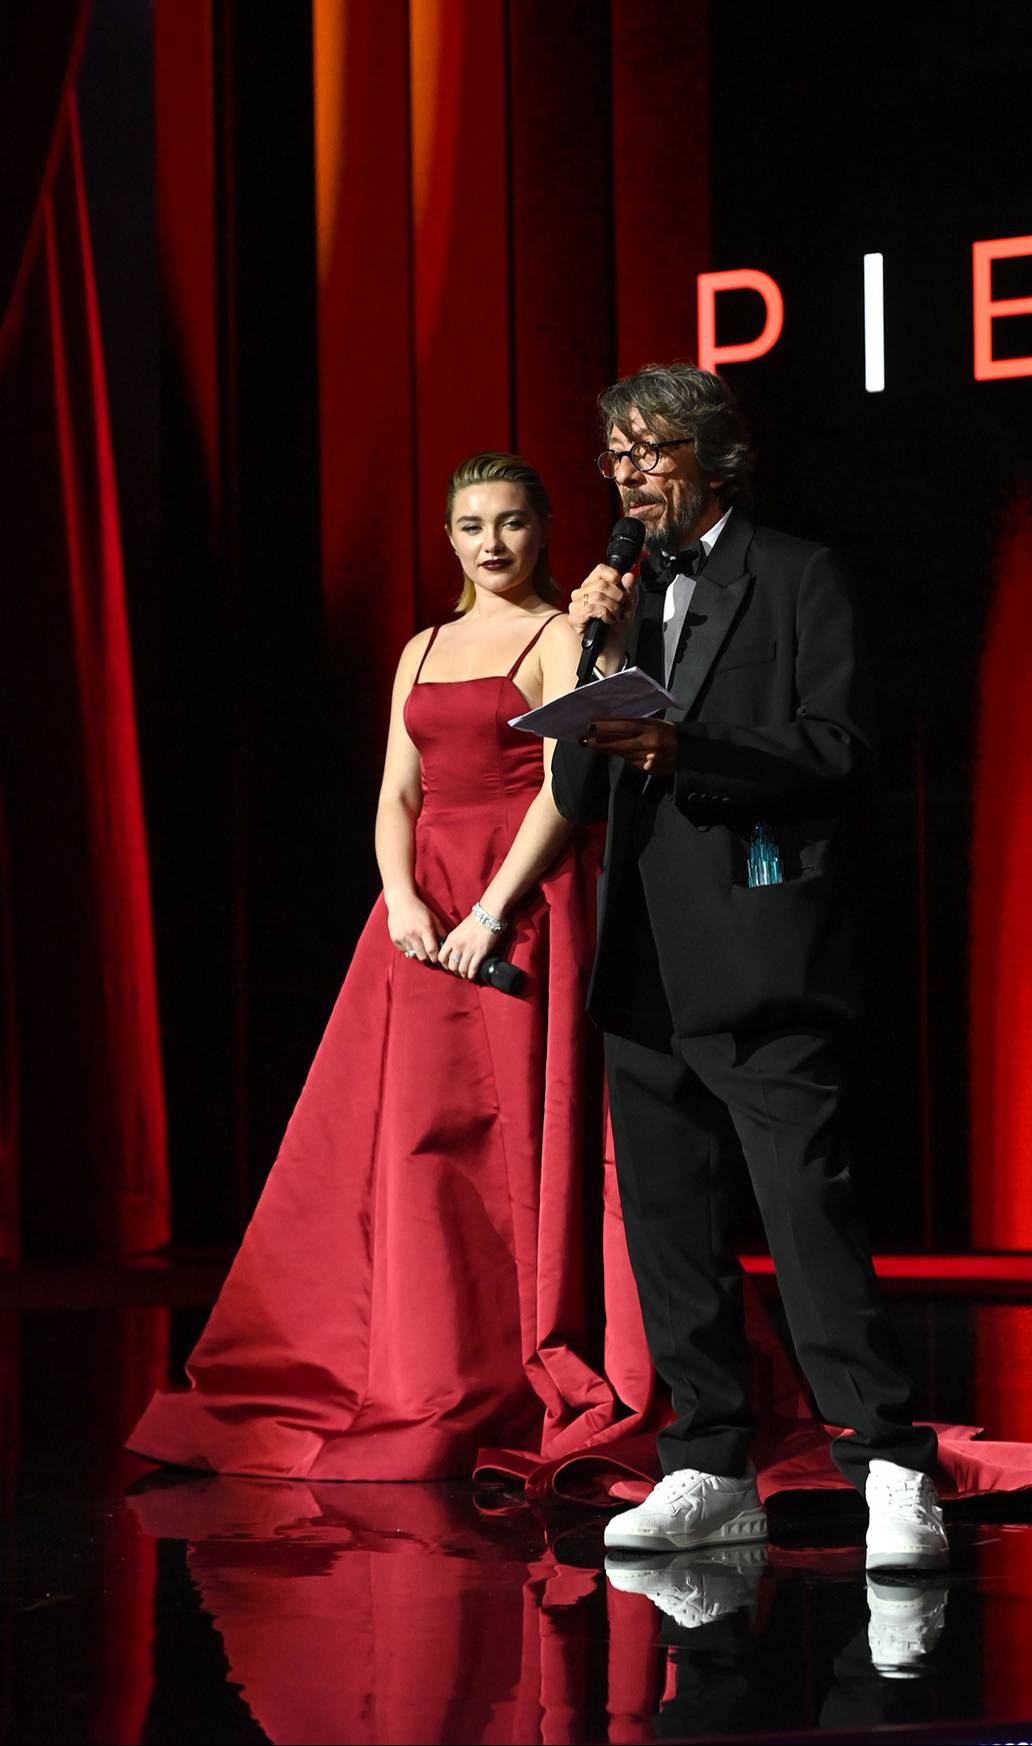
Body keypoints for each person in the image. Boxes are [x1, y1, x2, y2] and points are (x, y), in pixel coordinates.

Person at [127, 452, 655, 1481]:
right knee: (420, 1142)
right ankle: (430, 1360)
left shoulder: (559, 639)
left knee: (528, 1135)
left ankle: (536, 1352)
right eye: (471, 525)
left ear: (543, 529)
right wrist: (405, 900)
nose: (490, 542)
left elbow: (565, 791)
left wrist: (494, 912)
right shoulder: (421, 648)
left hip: (525, 900)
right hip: (421, 914)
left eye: (509, 522)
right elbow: (395, 795)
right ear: (450, 537)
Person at [551, 363, 949, 1569]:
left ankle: (889, 1462)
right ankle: (707, 1466)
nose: (631, 475)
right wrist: (588, 652)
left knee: (805, 1206)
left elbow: (838, 748)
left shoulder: (797, 575)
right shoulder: (623, 594)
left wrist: (684, 744)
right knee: (669, 1222)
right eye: (617, 455)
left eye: (654, 451)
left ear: (719, 458)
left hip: (762, 943)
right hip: (645, 962)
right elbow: (575, 788)